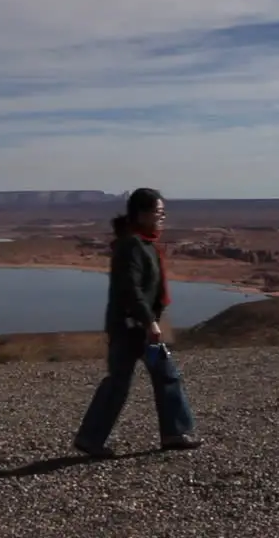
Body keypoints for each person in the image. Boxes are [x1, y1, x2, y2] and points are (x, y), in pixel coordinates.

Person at [74, 188, 202, 457]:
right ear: (142, 214)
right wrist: (149, 322)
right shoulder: (132, 245)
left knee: (147, 379)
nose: (163, 216)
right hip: (132, 326)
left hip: (136, 324)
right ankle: (173, 433)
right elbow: (129, 288)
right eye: (158, 212)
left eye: (163, 212)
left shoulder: (141, 243)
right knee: (135, 381)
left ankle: (94, 438)